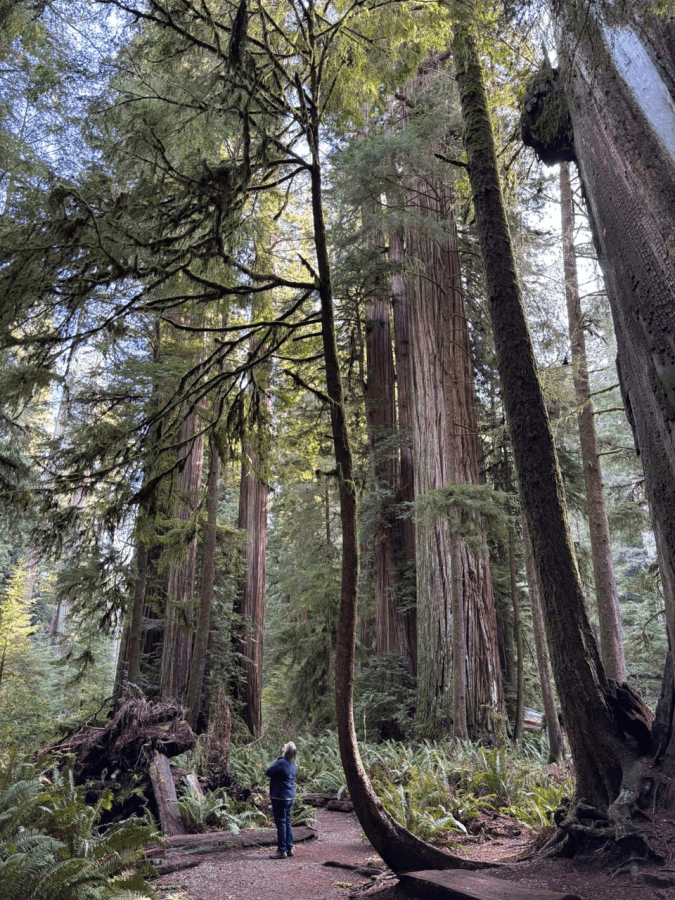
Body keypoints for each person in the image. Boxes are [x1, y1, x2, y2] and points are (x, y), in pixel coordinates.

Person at [265, 741, 297, 859]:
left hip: (280, 797)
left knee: (281, 823)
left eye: (284, 747)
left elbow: (268, 772)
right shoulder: (293, 764)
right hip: (289, 796)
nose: (282, 747)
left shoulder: (282, 762)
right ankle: (290, 848)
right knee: (287, 822)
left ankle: (281, 850)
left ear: (286, 750)